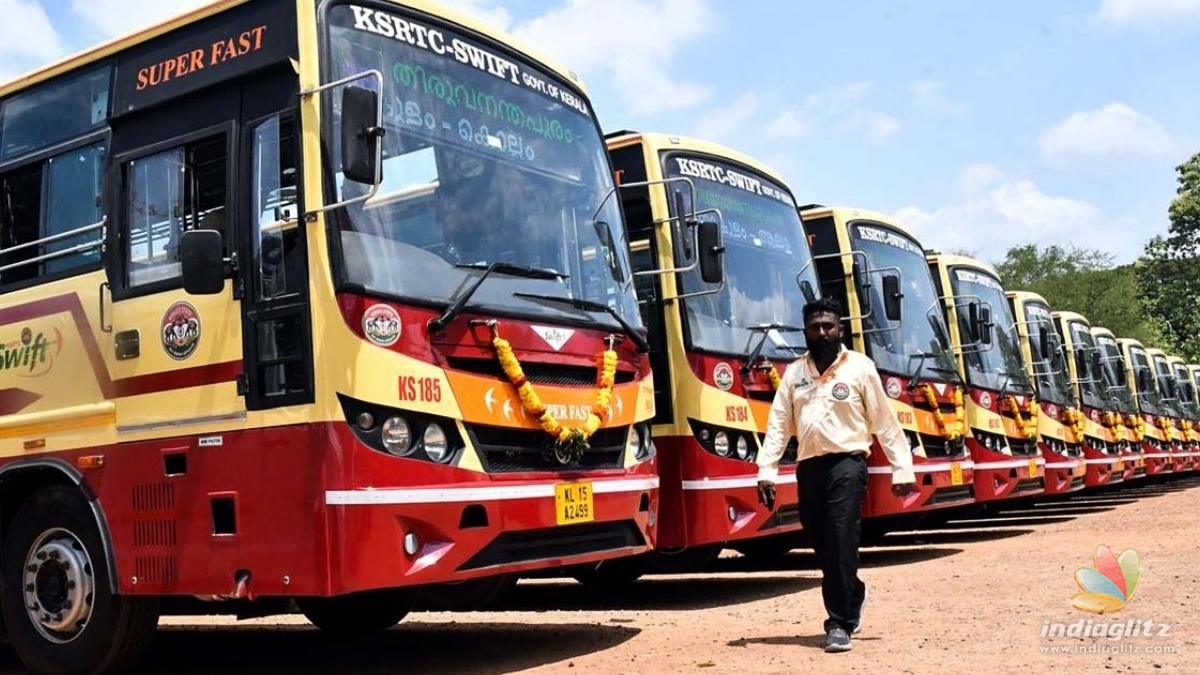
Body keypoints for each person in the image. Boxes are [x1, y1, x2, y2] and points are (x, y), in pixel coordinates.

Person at [755, 296, 917, 653]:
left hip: (849, 462)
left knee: (843, 535)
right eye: (815, 327)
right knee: (820, 539)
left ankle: (838, 622)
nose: (822, 332)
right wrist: (766, 470)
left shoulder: (859, 367)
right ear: (805, 332)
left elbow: (884, 421)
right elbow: (779, 425)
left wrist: (901, 468)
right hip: (809, 467)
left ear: (840, 328)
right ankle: (853, 590)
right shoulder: (794, 373)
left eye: (828, 325)